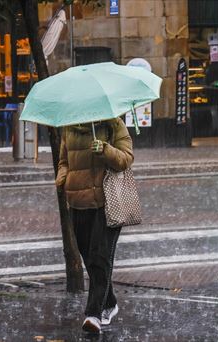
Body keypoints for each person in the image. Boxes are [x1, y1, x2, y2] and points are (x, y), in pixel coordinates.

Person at [55, 117, 133, 334]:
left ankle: (93, 315)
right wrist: (63, 178)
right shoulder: (69, 128)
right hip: (77, 203)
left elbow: (126, 159)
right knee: (88, 257)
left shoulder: (113, 125)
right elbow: (64, 161)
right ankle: (109, 303)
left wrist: (106, 150)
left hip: (106, 202)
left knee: (100, 257)